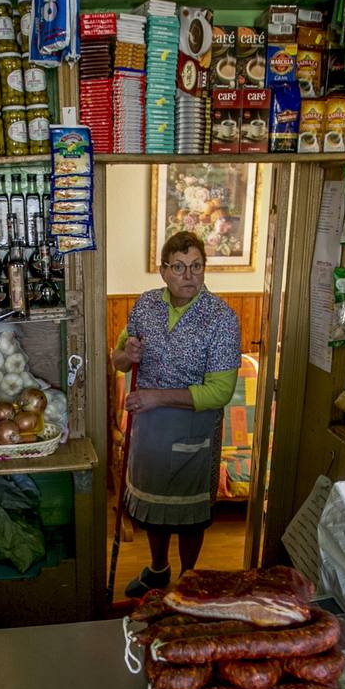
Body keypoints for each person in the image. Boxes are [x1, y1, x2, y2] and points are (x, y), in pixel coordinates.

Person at [111, 231, 241, 597]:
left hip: (193, 428)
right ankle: (158, 569)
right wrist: (127, 356)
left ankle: (188, 579)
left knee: (189, 513)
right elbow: (118, 359)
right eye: (180, 267)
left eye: (197, 266)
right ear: (163, 271)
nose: (189, 275)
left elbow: (220, 391)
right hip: (150, 428)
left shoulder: (221, 319)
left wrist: (156, 397)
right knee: (153, 506)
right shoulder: (146, 306)